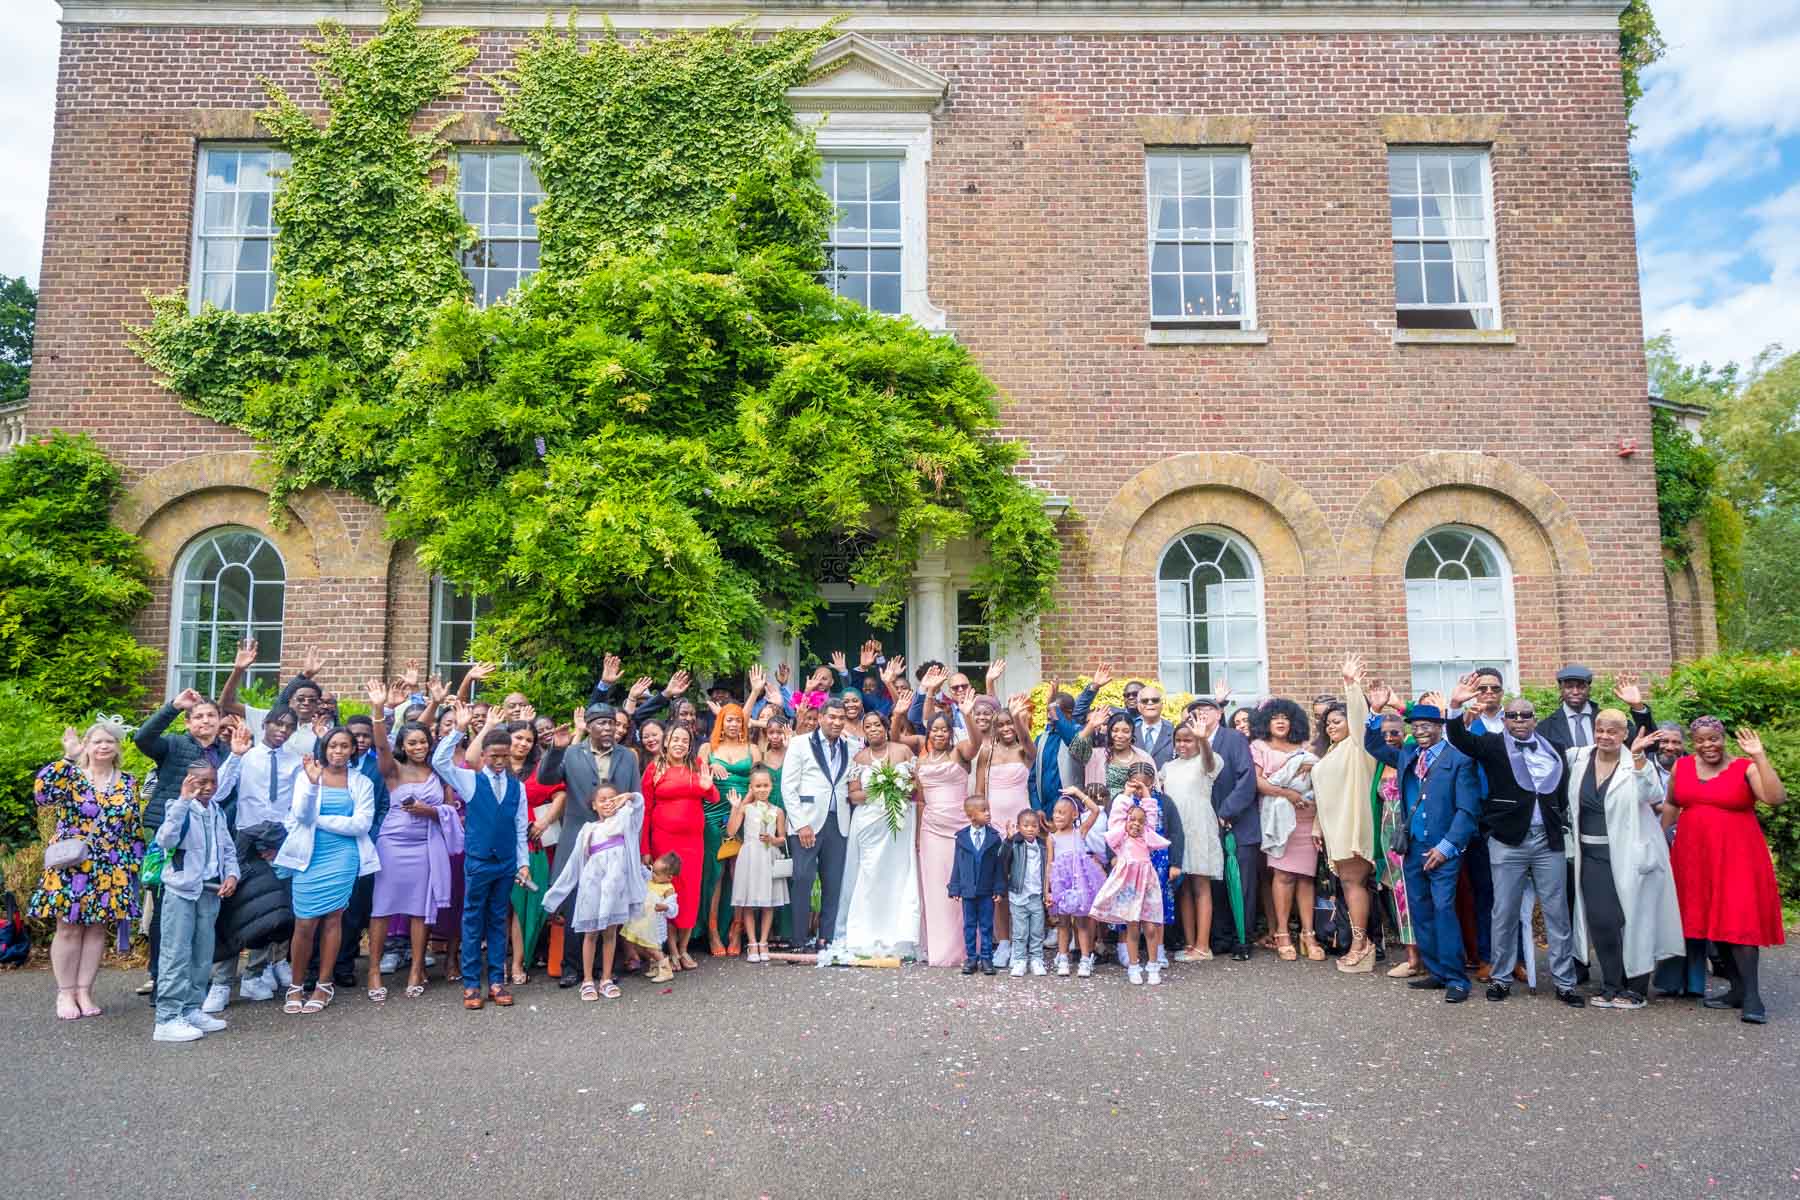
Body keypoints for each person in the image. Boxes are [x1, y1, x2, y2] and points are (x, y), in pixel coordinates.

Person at [1443, 677, 1585, 1008]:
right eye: (1513, 716)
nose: (1519, 720)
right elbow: (1460, 738)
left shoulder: (1554, 749)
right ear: (1504, 720)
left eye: (1526, 715)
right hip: (1508, 842)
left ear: (1535, 718)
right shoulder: (1492, 745)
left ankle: (1565, 983)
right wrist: (1455, 706)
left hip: (1548, 840)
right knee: (1503, 912)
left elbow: (1562, 791)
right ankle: (1501, 978)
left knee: (1557, 914)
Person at [1664, 718, 1788, 1024]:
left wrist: (1759, 755)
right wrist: (1657, 840)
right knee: (1710, 920)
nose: (1709, 745)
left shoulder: (1744, 767)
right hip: (1695, 856)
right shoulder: (1681, 768)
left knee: (1740, 921)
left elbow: (1775, 798)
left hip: (1738, 856)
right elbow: (1670, 804)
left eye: (1714, 739)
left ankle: (1752, 996)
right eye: (1701, 740)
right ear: (1693, 742)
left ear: (1723, 738)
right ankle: (1734, 990)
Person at [1363, 700, 1481, 1002]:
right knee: (1420, 910)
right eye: (1415, 728)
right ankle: (1437, 972)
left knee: (1443, 910)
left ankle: (1457, 979)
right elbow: (1373, 745)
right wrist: (1374, 713)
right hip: (1413, 848)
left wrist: (1446, 847)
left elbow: (1467, 811)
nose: (1420, 732)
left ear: (1440, 728)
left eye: (1426, 727)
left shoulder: (1459, 761)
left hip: (1443, 850)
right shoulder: (1408, 755)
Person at [1565, 714, 1684, 1009]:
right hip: (1591, 855)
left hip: (1632, 854)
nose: (1605, 736)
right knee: (1602, 921)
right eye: (1599, 730)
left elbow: (1653, 794)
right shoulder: (1577, 758)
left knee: (1636, 920)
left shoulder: (1635, 761)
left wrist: (1640, 757)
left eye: (1612, 731)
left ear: (1623, 734)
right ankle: (1610, 983)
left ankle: (1636, 989)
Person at [32, 719, 145, 1021]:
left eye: (110, 741)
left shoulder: (129, 781)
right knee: (68, 927)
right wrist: (67, 757)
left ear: (118, 747)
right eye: (97, 741)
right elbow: (43, 795)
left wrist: (134, 865)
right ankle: (65, 992)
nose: (104, 746)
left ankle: (84, 990)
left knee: (96, 930)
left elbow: (133, 827)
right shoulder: (71, 776)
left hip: (111, 865)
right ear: (87, 746)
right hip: (72, 864)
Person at [432, 700, 533, 1011]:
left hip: (505, 863)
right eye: (494, 756)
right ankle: (472, 984)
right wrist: (458, 731)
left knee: (498, 920)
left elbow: (519, 829)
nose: (500, 761)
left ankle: (497, 981)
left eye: (505, 756)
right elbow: (440, 762)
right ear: (484, 756)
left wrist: (524, 864)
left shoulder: (518, 788)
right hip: (478, 862)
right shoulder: (471, 780)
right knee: (473, 921)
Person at [362, 700, 462, 1002]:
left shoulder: (438, 772)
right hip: (393, 843)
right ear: (403, 746)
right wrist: (378, 712)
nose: (419, 746)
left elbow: (449, 809)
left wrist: (427, 810)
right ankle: (374, 970)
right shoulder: (393, 769)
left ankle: (417, 968)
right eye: (412, 742)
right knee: (382, 908)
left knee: (421, 909)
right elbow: (380, 747)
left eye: (423, 741)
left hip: (425, 845)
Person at [134, 685, 229, 993]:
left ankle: (194, 975)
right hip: (169, 832)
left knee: (202, 908)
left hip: (207, 836)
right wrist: (173, 707)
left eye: (211, 715)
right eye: (198, 716)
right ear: (189, 723)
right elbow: (142, 739)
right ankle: (160, 975)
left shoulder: (227, 753)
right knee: (166, 907)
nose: (205, 721)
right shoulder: (174, 745)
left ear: (220, 720)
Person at [276, 727, 379, 1015]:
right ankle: (296, 986)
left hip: (343, 856)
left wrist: (319, 821)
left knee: (334, 920)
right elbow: (301, 816)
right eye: (333, 745)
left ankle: (323, 984)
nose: (338, 751)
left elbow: (361, 824)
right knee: (305, 923)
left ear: (352, 750)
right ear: (325, 747)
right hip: (310, 855)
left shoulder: (361, 782)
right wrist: (310, 784)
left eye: (344, 746)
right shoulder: (307, 776)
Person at [537, 700, 641, 985]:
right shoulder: (571, 753)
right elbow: (545, 778)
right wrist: (556, 749)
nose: (608, 728)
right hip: (578, 838)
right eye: (601, 723)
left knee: (609, 900)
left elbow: (635, 797)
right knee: (575, 902)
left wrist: (635, 845)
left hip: (614, 841)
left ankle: (603, 969)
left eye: (611, 722)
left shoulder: (628, 756)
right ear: (589, 726)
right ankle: (571, 967)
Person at [208, 710, 303, 1008]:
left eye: (289, 727)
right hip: (244, 841)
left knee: (270, 911)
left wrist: (279, 840)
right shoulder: (246, 757)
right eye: (278, 724)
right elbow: (219, 793)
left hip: (277, 843)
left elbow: (297, 805)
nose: (283, 731)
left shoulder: (296, 762)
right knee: (234, 907)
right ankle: (221, 982)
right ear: (265, 725)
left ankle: (255, 973)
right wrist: (235, 756)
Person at [151, 763, 239, 1042]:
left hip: (210, 890)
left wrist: (233, 874)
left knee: (202, 954)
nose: (208, 787)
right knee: (176, 954)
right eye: (201, 781)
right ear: (188, 781)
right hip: (181, 890)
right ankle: (166, 1018)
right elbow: (165, 840)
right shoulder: (177, 807)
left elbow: (227, 847)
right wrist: (183, 801)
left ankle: (191, 1009)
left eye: (212, 781)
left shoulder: (216, 811)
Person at [542, 784, 646, 999]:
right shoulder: (588, 829)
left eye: (612, 798)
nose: (608, 802)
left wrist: (630, 796)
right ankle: (588, 979)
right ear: (593, 805)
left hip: (615, 889)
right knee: (590, 933)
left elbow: (639, 806)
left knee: (610, 933)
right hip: (592, 886)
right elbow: (574, 864)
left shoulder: (625, 822)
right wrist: (556, 894)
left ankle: (606, 978)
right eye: (602, 799)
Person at [1311, 656, 1381, 972]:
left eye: (1337, 720)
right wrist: (1316, 826)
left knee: (1353, 885)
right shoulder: (1331, 752)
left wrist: (1351, 685)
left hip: (1353, 827)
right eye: (1327, 723)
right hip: (1333, 829)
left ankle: (1361, 945)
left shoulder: (1358, 745)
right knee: (1350, 887)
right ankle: (1361, 943)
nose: (1331, 726)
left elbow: (1359, 715)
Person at [837, 710, 920, 960]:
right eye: (868, 726)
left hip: (899, 823)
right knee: (871, 874)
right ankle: (868, 932)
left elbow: (915, 787)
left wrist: (900, 787)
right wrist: (880, 788)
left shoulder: (903, 752)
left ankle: (899, 934)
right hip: (870, 824)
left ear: (885, 727)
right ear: (864, 731)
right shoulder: (860, 758)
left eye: (877, 725)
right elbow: (854, 795)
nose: (873, 729)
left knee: (898, 875)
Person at [640, 723, 718, 969]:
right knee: (668, 892)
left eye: (684, 740)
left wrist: (708, 787)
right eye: (675, 739)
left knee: (690, 893)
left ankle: (684, 949)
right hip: (664, 841)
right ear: (666, 742)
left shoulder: (696, 765)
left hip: (693, 842)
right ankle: (671, 951)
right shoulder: (655, 768)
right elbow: (646, 812)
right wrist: (645, 849)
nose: (680, 744)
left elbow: (713, 797)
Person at [780, 697, 854, 953]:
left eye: (841, 718)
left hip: (839, 821)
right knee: (802, 879)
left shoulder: (850, 746)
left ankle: (827, 938)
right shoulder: (800, 744)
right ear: (821, 717)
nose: (836, 722)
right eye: (831, 717)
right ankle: (799, 940)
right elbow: (788, 787)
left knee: (833, 882)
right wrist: (801, 824)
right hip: (807, 822)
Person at [966, 690, 1033, 966]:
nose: (1006, 728)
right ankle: (1003, 941)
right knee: (998, 887)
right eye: (1001, 724)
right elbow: (980, 790)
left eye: (1010, 724)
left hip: (1021, 822)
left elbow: (1027, 741)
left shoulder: (1024, 750)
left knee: (1025, 885)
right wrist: (984, 821)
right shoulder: (987, 752)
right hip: (995, 822)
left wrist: (1018, 718)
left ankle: (1025, 943)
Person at [903, 710, 974, 967]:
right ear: (929, 733)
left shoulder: (959, 753)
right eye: (935, 729)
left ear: (951, 731)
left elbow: (975, 745)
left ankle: (966, 947)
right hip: (931, 829)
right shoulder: (920, 763)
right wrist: (918, 835)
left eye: (945, 729)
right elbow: (920, 801)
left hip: (959, 826)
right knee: (934, 889)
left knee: (961, 885)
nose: (940, 733)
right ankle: (938, 947)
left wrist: (967, 715)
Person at [1252, 699, 1321, 962]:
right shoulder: (1258, 747)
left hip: (1307, 816)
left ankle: (1308, 933)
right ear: (1266, 722)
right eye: (1275, 717)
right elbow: (1258, 782)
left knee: (1306, 877)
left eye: (1285, 717)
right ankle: (1281, 933)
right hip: (1278, 819)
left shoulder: (1305, 748)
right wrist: (1289, 794)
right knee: (1283, 875)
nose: (1280, 722)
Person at [1192, 694, 1260, 960]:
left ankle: (1242, 940)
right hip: (1206, 827)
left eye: (1207, 709)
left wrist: (1227, 811)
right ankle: (1219, 938)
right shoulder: (1193, 743)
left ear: (1219, 713)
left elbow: (1246, 778)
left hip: (1237, 823)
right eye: (1196, 711)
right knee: (1216, 884)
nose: (1202, 714)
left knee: (1241, 885)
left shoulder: (1234, 738)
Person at [699, 701, 759, 956]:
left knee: (739, 872)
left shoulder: (753, 749)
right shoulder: (707, 747)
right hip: (713, 812)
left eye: (738, 720)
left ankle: (736, 928)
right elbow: (699, 778)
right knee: (716, 872)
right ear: (721, 722)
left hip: (743, 809)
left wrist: (742, 806)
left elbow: (758, 782)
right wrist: (711, 766)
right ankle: (712, 930)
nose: (734, 724)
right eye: (729, 719)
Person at [1161, 720, 1223, 962]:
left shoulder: (1208, 759)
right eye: (1179, 740)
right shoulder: (1168, 766)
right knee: (1183, 887)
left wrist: (1204, 739)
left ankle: (1203, 946)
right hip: (1176, 829)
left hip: (1198, 826)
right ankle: (1189, 943)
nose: (1183, 744)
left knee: (1200, 884)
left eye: (1189, 739)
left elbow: (1209, 763)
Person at [1090, 803, 1170, 985]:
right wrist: (1126, 794)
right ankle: (1134, 966)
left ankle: (1153, 965)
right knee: (1132, 928)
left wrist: (1146, 793)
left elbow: (1151, 813)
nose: (1136, 824)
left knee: (1150, 928)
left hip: (1147, 886)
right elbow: (1117, 815)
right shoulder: (1121, 836)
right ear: (1125, 821)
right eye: (1132, 819)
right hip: (1130, 889)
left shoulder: (1146, 837)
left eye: (1141, 822)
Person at [1369, 712, 1422, 979]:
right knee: (1398, 897)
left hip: (1410, 836)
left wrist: (1405, 708)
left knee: (1412, 897)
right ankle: (1412, 954)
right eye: (1385, 734)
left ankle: (1419, 957)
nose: (1390, 738)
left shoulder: (1411, 756)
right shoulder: (1381, 762)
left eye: (1395, 732)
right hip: (1388, 837)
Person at [726, 768, 788, 963]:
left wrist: (773, 839)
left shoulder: (777, 811)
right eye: (758, 786)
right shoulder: (746, 808)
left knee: (768, 901)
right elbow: (731, 830)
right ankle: (752, 942)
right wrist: (735, 807)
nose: (762, 789)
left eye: (765, 786)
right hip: (750, 856)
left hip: (768, 855)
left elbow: (782, 839)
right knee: (749, 901)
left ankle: (763, 941)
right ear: (751, 787)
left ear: (771, 786)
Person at [1046, 790, 1106, 976]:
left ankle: (1085, 959)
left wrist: (1077, 793)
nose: (1057, 816)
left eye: (1062, 812)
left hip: (1079, 885)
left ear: (1074, 815)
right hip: (1060, 887)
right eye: (1055, 812)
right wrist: (1046, 891)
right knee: (1062, 924)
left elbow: (1095, 810)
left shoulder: (1080, 832)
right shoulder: (1052, 838)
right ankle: (1063, 957)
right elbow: (1049, 865)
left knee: (1081, 923)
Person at [1030, 667, 1103, 818]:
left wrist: (1092, 689)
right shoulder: (1041, 738)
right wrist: (1037, 808)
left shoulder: (1078, 735)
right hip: (1045, 812)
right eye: (1048, 711)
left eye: (1055, 711)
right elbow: (1032, 779)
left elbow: (1072, 739)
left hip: (1071, 812)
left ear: (1069, 714)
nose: (1051, 715)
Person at [948, 795, 1005, 976]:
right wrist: (955, 886)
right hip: (968, 890)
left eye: (988, 809)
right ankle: (971, 958)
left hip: (987, 890)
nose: (988, 813)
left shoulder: (995, 838)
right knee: (969, 925)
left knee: (987, 925)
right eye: (983, 810)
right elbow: (957, 863)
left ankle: (986, 958)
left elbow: (999, 867)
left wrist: (998, 888)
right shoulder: (961, 838)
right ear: (971, 815)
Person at [1070, 710, 1158, 802]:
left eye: (1126, 731)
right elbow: (1075, 750)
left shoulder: (1144, 758)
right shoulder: (1096, 755)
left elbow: (1155, 790)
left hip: (1136, 814)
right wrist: (1091, 725)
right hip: (1101, 812)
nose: (1119, 735)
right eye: (1115, 730)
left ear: (1132, 734)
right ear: (1109, 732)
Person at [1002, 808, 1050, 977]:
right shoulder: (1015, 844)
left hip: (1036, 896)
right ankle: (1020, 960)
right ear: (1019, 827)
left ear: (1038, 828)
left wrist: (1047, 892)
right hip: (1018, 895)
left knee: (1037, 931)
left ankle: (1037, 959)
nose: (1030, 829)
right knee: (1020, 932)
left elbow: (1048, 868)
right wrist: (1007, 841)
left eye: (1034, 826)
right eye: (1026, 825)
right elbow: (1003, 860)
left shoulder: (1043, 846)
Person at [622, 852, 681, 985]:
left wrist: (665, 907)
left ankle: (666, 969)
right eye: (653, 870)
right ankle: (655, 966)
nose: (652, 874)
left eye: (656, 873)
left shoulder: (668, 889)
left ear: (669, 877)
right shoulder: (651, 878)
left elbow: (674, 908)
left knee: (652, 948)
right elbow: (643, 870)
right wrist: (641, 862)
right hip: (642, 922)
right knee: (641, 946)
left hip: (654, 926)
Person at [1132, 685, 1176, 769]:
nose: (1150, 703)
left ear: (1162, 704)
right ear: (1138, 706)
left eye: (1155, 700)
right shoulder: (1130, 734)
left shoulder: (1174, 733)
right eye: (1145, 701)